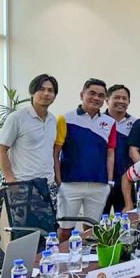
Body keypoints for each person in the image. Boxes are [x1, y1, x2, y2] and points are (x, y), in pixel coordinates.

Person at [54, 78, 116, 234]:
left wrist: (109, 181)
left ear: (105, 99)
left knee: (92, 231)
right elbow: (55, 152)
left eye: (100, 95)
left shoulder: (110, 122)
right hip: (70, 184)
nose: (96, 98)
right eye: (92, 93)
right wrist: (59, 181)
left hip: (99, 185)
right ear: (82, 94)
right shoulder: (65, 119)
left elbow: (110, 153)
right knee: (65, 230)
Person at [0, 73, 59, 186]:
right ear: (32, 93)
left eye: (50, 90)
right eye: (41, 89)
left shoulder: (53, 120)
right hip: (23, 185)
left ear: (54, 96)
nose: (46, 93)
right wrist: (11, 181)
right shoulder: (17, 118)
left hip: (49, 185)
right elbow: (1, 149)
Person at [103, 84, 136, 213]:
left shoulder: (135, 124)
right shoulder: (98, 121)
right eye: (117, 97)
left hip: (126, 182)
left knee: (127, 219)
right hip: (101, 181)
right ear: (107, 100)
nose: (121, 101)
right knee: (97, 220)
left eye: (124, 98)